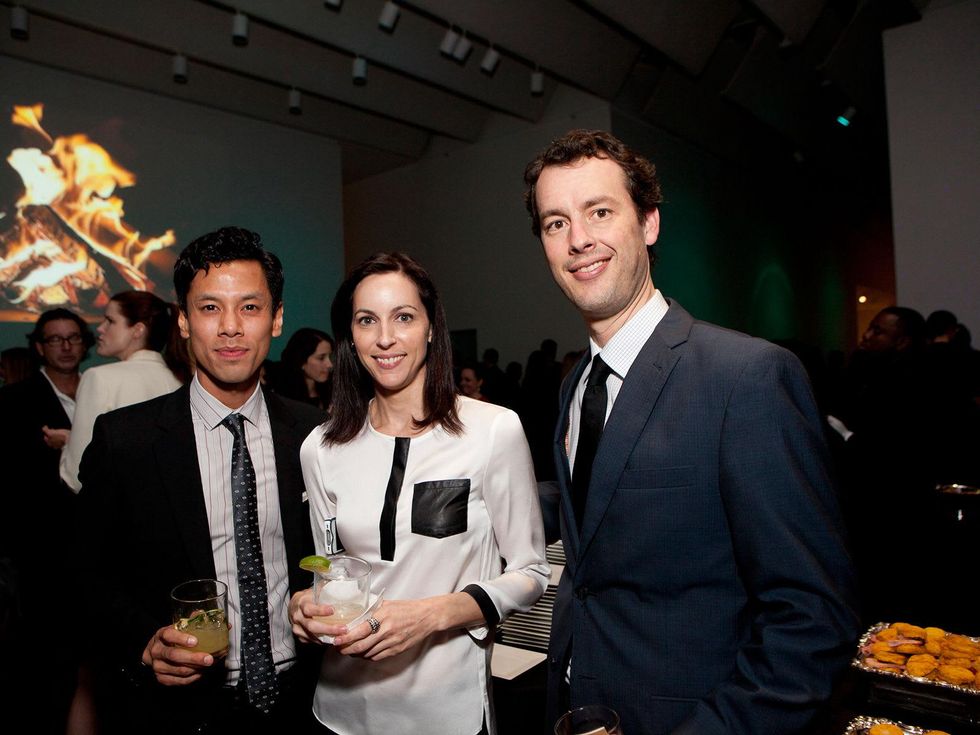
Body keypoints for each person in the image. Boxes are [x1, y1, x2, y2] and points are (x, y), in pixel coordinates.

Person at [523, 129, 859, 735]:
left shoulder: (748, 378)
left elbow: (811, 620)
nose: (578, 240)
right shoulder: (576, 386)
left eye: (600, 211)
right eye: (555, 223)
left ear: (649, 223)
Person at [75, 227, 324, 734]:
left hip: (306, 699)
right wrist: (145, 641)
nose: (231, 328)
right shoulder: (127, 440)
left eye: (250, 308)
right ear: (184, 322)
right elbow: (83, 572)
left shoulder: (314, 434)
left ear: (276, 319)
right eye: (210, 309)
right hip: (180, 710)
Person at [289, 252, 549, 735]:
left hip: (447, 712)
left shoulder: (492, 430)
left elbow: (531, 572)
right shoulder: (321, 448)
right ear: (351, 336)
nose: (385, 338)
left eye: (403, 317)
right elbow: (328, 566)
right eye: (367, 320)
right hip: (339, 709)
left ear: (431, 328)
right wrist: (305, 606)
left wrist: (431, 615)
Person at [0, 308, 94, 734]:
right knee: (44, 651)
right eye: (55, 339)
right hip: (41, 544)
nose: (65, 346)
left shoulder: (98, 388)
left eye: (73, 337)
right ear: (39, 346)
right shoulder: (14, 399)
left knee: (90, 652)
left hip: (93, 538)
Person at [59, 290, 185, 491]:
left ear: (137, 330)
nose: (100, 328)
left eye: (110, 321)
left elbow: (76, 476)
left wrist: (68, 446)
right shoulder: (179, 382)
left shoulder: (99, 378)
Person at [274, 327, 334, 411]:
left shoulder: (333, 392)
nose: (330, 364)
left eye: (330, 357)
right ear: (301, 361)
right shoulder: (281, 399)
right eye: (321, 358)